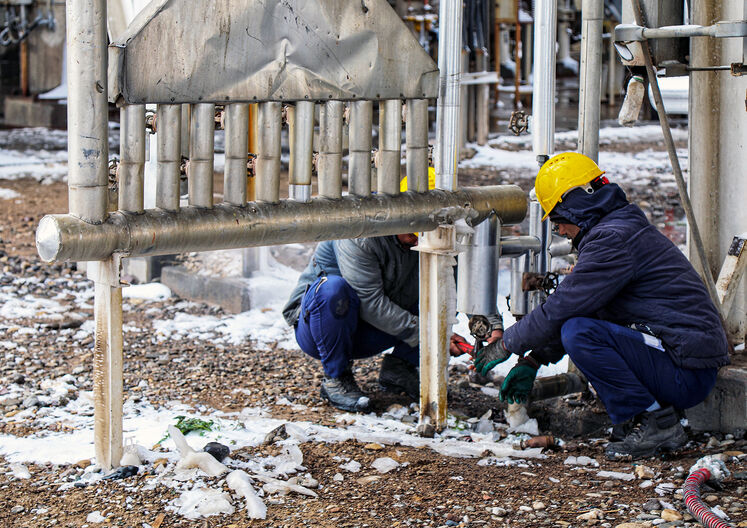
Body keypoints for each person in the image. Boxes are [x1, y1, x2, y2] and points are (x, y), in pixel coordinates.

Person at [473, 152, 730, 459]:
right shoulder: (620, 229)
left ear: (576, 205)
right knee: (580, 327)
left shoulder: (613, 239)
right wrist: (534, 360)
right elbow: (587, 307)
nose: (561, 232)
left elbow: (564, 307)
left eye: (558, 220)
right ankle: (643, 417)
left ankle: (654, 421)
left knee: (579, 332)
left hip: (685, 372)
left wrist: (506, 346)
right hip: (680, 360)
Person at [283, 233, 475, 412]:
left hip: (376, 331)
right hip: (321, 330)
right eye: (415, 234)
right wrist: (432, 335)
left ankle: (401, 368)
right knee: (332, 290)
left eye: (424, 236)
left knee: (441, 287)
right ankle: (336, 377)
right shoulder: (360, 234)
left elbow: (457, 289)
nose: (419, 241)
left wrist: (489, 326)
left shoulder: (434, 235)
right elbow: (370, 301)